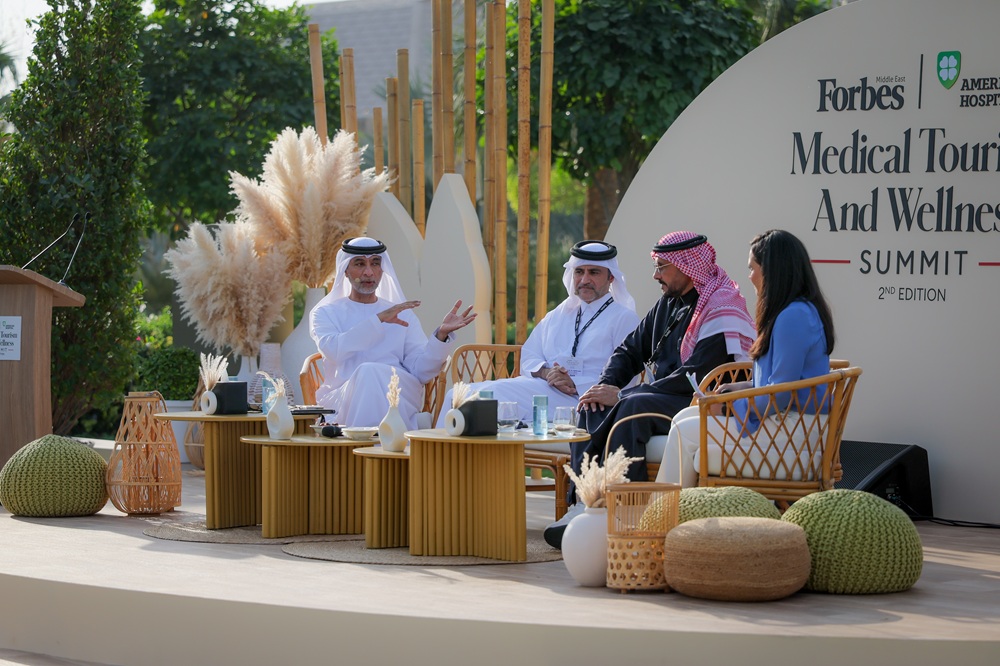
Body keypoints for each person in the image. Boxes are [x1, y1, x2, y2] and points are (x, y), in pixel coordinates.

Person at [544, 231, 756, 548]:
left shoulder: (719, 307)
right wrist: (607, 385)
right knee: (591, 404)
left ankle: (624, 515)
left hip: (697, 401)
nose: (656, 275)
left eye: (662, 267)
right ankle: (584, 504)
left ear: (687, 267)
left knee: (632, 407)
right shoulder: (668, 303)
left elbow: (696, 375)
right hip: (660, 394)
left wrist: (622, 395)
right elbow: (629, 351)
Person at [654, 229, 836, 487]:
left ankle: (664, 507)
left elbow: (781, 393)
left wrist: (728, 407)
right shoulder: (793, 311)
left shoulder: (793, 316)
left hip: (793, 433)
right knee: (682, 418)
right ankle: (680, 506)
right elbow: (781, 382)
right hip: (784, 424)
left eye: (752, 268)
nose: (749, 276)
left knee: (684, 431)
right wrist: (735, 389)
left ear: (772, 271)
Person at [435, 241, 640, 426]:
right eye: (579, 272)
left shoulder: (624, 318)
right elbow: (529, 354)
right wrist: (547, 373)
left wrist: (574, 383)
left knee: (479, 400)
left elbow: (628, 376)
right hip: (544, 389)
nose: (584, 279)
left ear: (611, 277)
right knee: (458, 395)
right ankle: (443, 455)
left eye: (594, 273)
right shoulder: (559, 314)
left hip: (584, 401)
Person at [309, 236, 476, 429]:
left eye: (375, 263)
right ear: (345, 270)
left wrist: (441, 336)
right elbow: (333, 350)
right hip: (343, 397)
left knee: (369, 373)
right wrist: (378, 320)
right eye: (360, 264)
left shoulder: (402, 314)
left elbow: (421, 371)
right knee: (368, 373)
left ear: (382, 269)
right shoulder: (325, 313)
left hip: (398, 394)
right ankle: (384, 442)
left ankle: (365, 444)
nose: (369, 272)